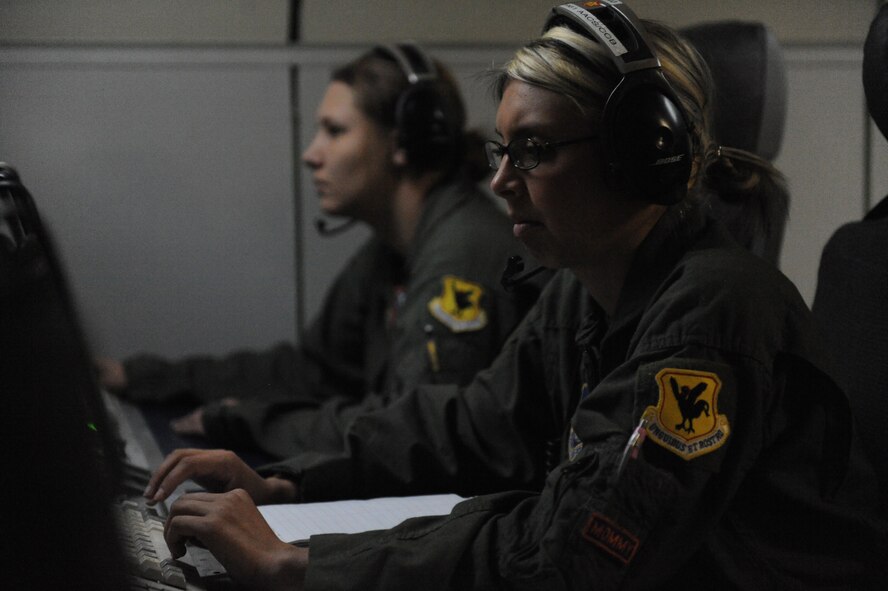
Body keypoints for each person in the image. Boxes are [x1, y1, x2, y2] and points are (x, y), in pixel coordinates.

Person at [146, 3, 885, 589]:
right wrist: (287, 479)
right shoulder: (586, 286)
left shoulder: (713, 312)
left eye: (535, 150)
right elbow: (470, 423)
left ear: (638, 156)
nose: (501, 183)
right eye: (504, 150)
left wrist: (300, 564)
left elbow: (574, 549)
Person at [97, 43, 546, 459]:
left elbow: (413, 434)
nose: (313, 154)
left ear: (403, 142)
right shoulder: (394, 249)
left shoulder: (460, 260)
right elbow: (313, 371)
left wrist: (245, 422)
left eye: (335, 131)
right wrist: (143, 378)